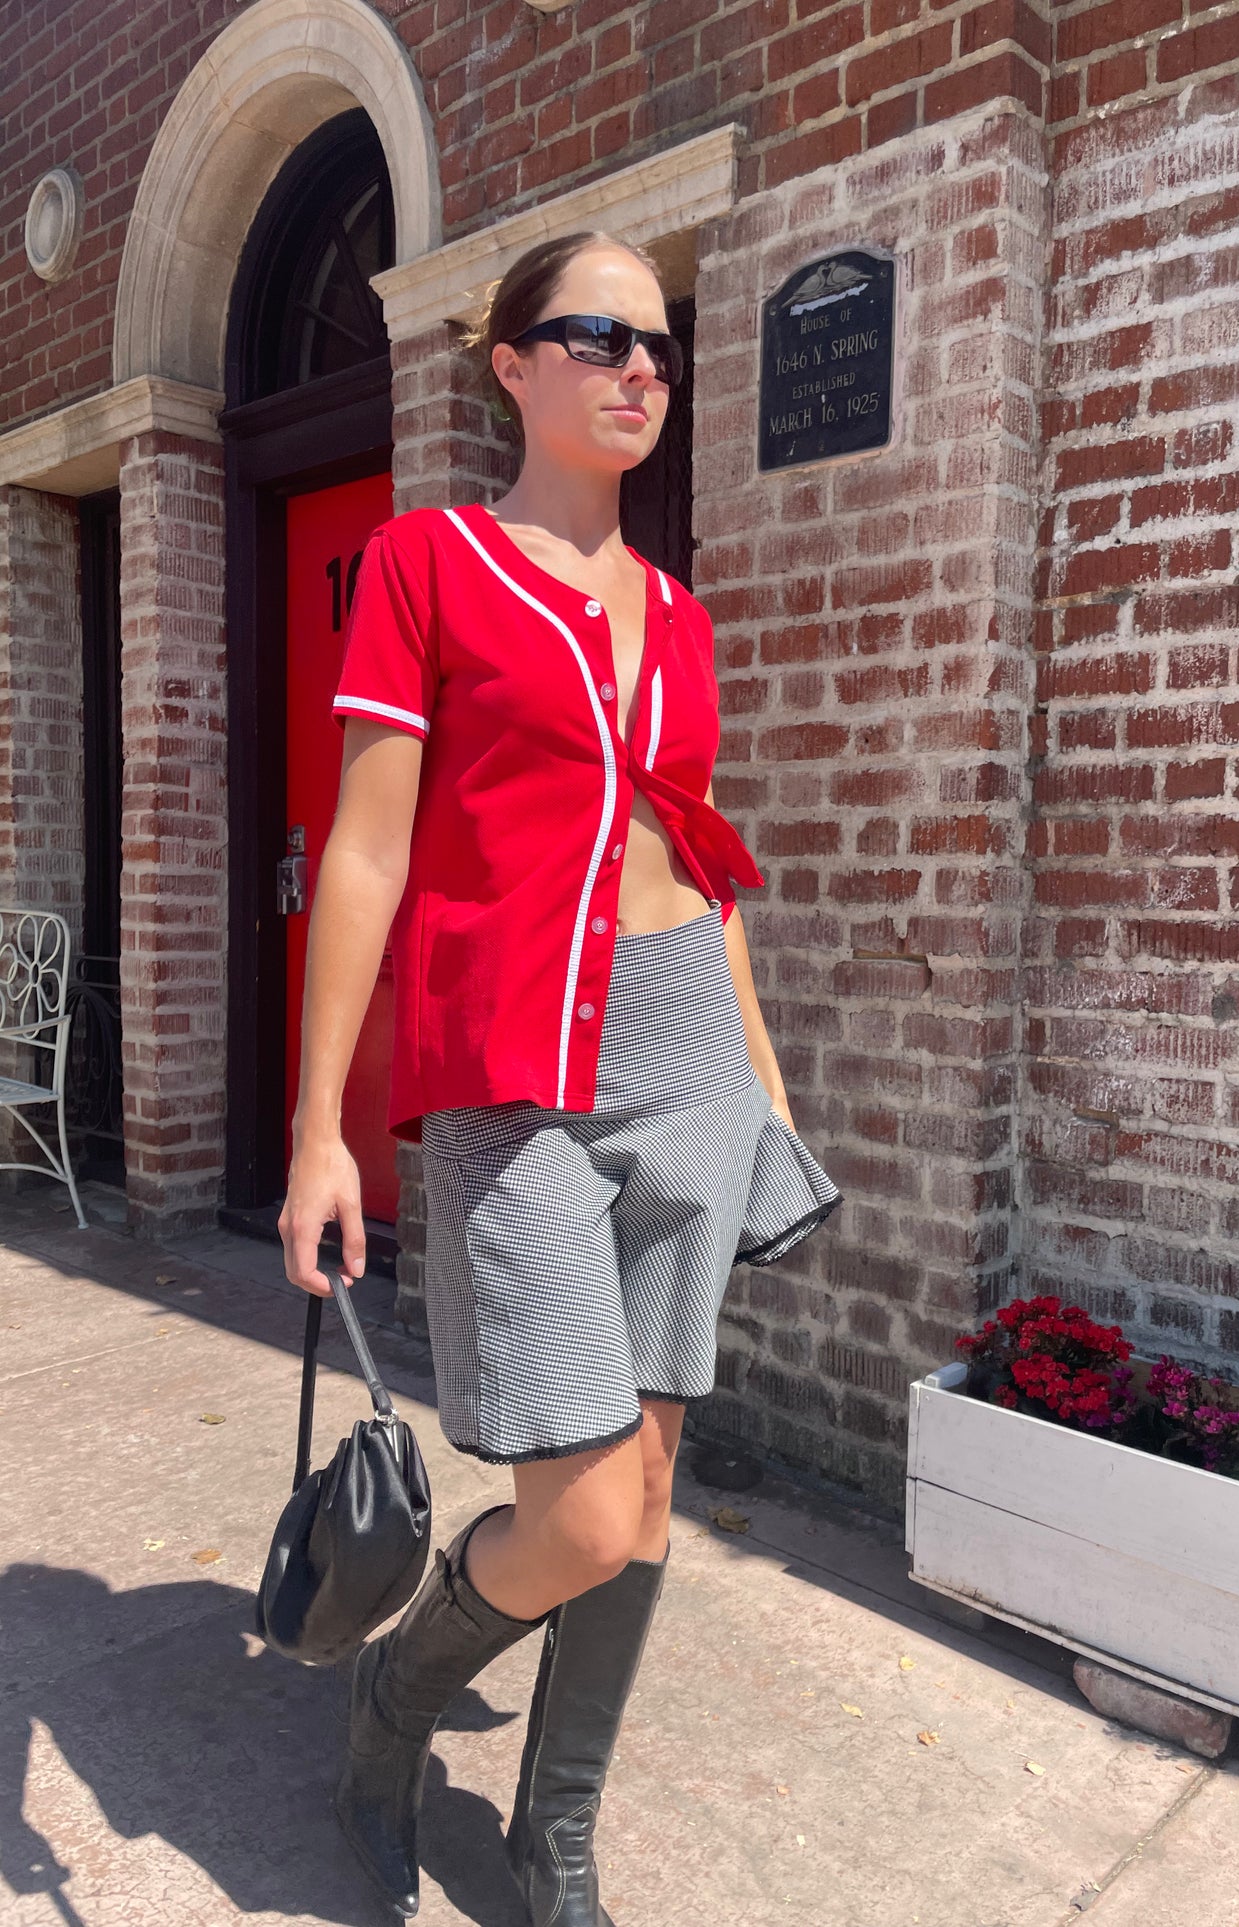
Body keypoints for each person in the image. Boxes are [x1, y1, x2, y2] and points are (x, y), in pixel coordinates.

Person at [278, 229, 841, 1925]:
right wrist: (317, 1127)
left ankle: (555, 1836)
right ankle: (391, 1694)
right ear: (510, 362)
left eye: (658, 342)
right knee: (582, 1514)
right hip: (515, 1064)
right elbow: (366, 853)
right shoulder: (425, 565)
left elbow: (701, 857)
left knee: (654, 1480)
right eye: (595, 335)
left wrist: (764, 1085)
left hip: (686, 1048)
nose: (636, 367)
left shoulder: (679, 615)